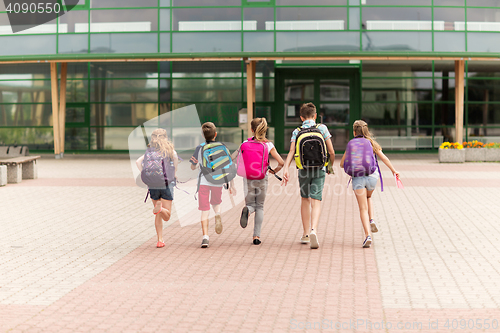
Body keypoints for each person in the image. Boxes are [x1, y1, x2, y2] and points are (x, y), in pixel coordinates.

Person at [283, 103, 335, 249]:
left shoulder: (297, 131)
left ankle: (306, 234)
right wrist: (329, 166)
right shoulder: (322, 128)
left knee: (305, 199)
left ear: (301, 117)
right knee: (316, 200)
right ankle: (314, 230)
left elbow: (292, 151)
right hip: (320, 168)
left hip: (303, 169)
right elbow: (331, 151)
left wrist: (286, 168)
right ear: (315, 115)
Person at [340, 120, 400, 248]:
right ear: (366, 131)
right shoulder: (372, 143)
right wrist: (394, 171)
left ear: (354, 132)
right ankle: (372, 219)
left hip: (358, 178)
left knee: (362, 208)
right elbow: (384, 158)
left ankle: (367, 235)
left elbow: (341, 164)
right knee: (369, 197)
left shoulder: (351, 144)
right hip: (372, 176)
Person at [190, 122, 236, 248]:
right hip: (218, 180)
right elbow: (228, 165)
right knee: (216, 203)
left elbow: (193, 166)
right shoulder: (222, 146)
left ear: (202, 135)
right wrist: (231, 184)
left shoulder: (199, 148)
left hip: (204, 181)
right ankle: (218, 213)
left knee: (204, 211)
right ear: (215, 134)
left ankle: (205, 237)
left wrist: (196, 164)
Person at [239, 117, 284, 245]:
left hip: (248, 178)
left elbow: (236, 158)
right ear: (265, 130)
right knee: (260, 206)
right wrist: (275, 170)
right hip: (262, 177)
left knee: (251, 204)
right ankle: (256, 236)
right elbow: (281, 162)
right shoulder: (268, 145)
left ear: (252, 130)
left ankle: (248, 209)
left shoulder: (244, 143)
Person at [136, 128, 177, 248]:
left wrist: (144, 173)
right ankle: (160, 209)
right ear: (165, 137)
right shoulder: (170, 150)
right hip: (166, 184)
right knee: (167, 215)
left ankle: (160, 240)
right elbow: (175, 162)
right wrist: (174, 174)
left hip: (152, 184)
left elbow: (138, 162)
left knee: (157, 214)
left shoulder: (149, 151)